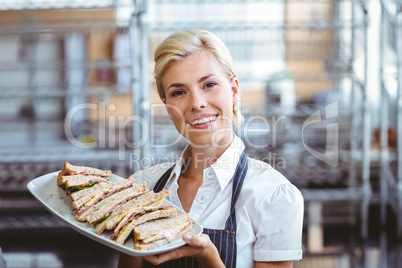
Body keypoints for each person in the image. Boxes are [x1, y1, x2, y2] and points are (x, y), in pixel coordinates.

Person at [118, 29, 303, 268]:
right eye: (179, 92)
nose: (196, 103)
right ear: (167, 106)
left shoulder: (273, 196)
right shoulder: (141, 190)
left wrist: (209, 258)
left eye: (209, 84)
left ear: (234, 91)